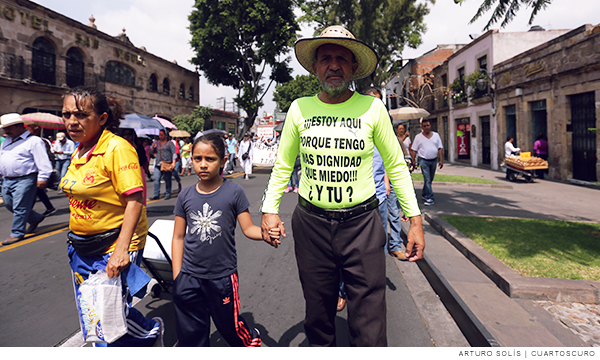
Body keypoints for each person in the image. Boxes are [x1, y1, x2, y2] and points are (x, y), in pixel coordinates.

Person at [259, 25, 424, 347]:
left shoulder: (372, 108)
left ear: (352, 69)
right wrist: (269, 210)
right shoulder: (299, 109)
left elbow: (396, 166)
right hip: (312, 225)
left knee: (370, 316)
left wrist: (414, 221)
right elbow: (283, 165)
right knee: (318, 313)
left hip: (361, 225)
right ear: (316, 67)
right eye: (325, 59)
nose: (333, 65)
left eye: (341, 59)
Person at [60, 86, 163, 347]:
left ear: (102, 118)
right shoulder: (79, 150)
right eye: (67, 114)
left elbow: (135, 200)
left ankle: (151, 331)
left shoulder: (117, 148)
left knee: (107, 318)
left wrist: (121, 250)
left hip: (112, 246)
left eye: (81, 115)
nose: (72, 121)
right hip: (82, 247)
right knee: (92, 314)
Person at [171, 133, 281, 347]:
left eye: (210, 159)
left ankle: (252, 341)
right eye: (197, 159)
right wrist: (178, 278)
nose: (203, 165)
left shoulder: (234, 191)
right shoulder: (185, 195)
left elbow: (248, 228)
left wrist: (266, 234)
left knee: (230, 328)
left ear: (222, 161)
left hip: (222, 278)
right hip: (189, 277)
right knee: (191, 335)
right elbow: (178, 237)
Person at [0, 114, 53, 245]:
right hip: (7, 179)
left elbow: (42, 160)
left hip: (25, 178)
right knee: (8, 204)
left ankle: (17, 233)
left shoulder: (33, 141)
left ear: (19, 126)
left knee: (20, 206)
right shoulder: (7, 141)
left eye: (9, 128)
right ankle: (35, 218)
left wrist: (43, 177)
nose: (6, 131)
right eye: (5, 128)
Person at [410, 119, 443, 206]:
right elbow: (414, 150)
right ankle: (430, 197)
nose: (426, 127)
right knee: (427, 179)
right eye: (424, 126)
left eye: (427, 125)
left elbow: (440, 148)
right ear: (422, 127)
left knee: (430, 179)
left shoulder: (436, 135)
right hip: (423, 160)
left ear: (430, 126)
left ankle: (425, 194)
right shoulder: (418, 137)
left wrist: (441, 160)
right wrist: (413, 160)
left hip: (434, 160)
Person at [26, 124, 57, 216]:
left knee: (33, 191)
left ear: (35, 132)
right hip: (33, 169)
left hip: (38, 169)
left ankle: (27, 211)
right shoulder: (27, 141)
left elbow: (44, 157)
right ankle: (49, 207)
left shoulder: (41, 141)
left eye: (29, 131)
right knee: (37, 191)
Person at [120, 129, 149, 205]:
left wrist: (135, 149)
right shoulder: (119, 147)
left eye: (129, 134)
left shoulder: (139, 147)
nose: (127, 137)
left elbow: (143, 160)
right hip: (123, 170)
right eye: (125, 134)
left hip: (138, 169)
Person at [150, 129, 177, 200]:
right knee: (156, 178)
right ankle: (156, 194)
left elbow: (173, 153)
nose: (160, 136)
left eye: (162, 135)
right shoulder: (157, 143)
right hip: (158, 163)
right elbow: (152, 151)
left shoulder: (169, 143)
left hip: (167, 163)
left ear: (165, 135)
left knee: (167, 179)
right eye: (159, 135)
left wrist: (173, 162)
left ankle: (168, 193)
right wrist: (152, 147)